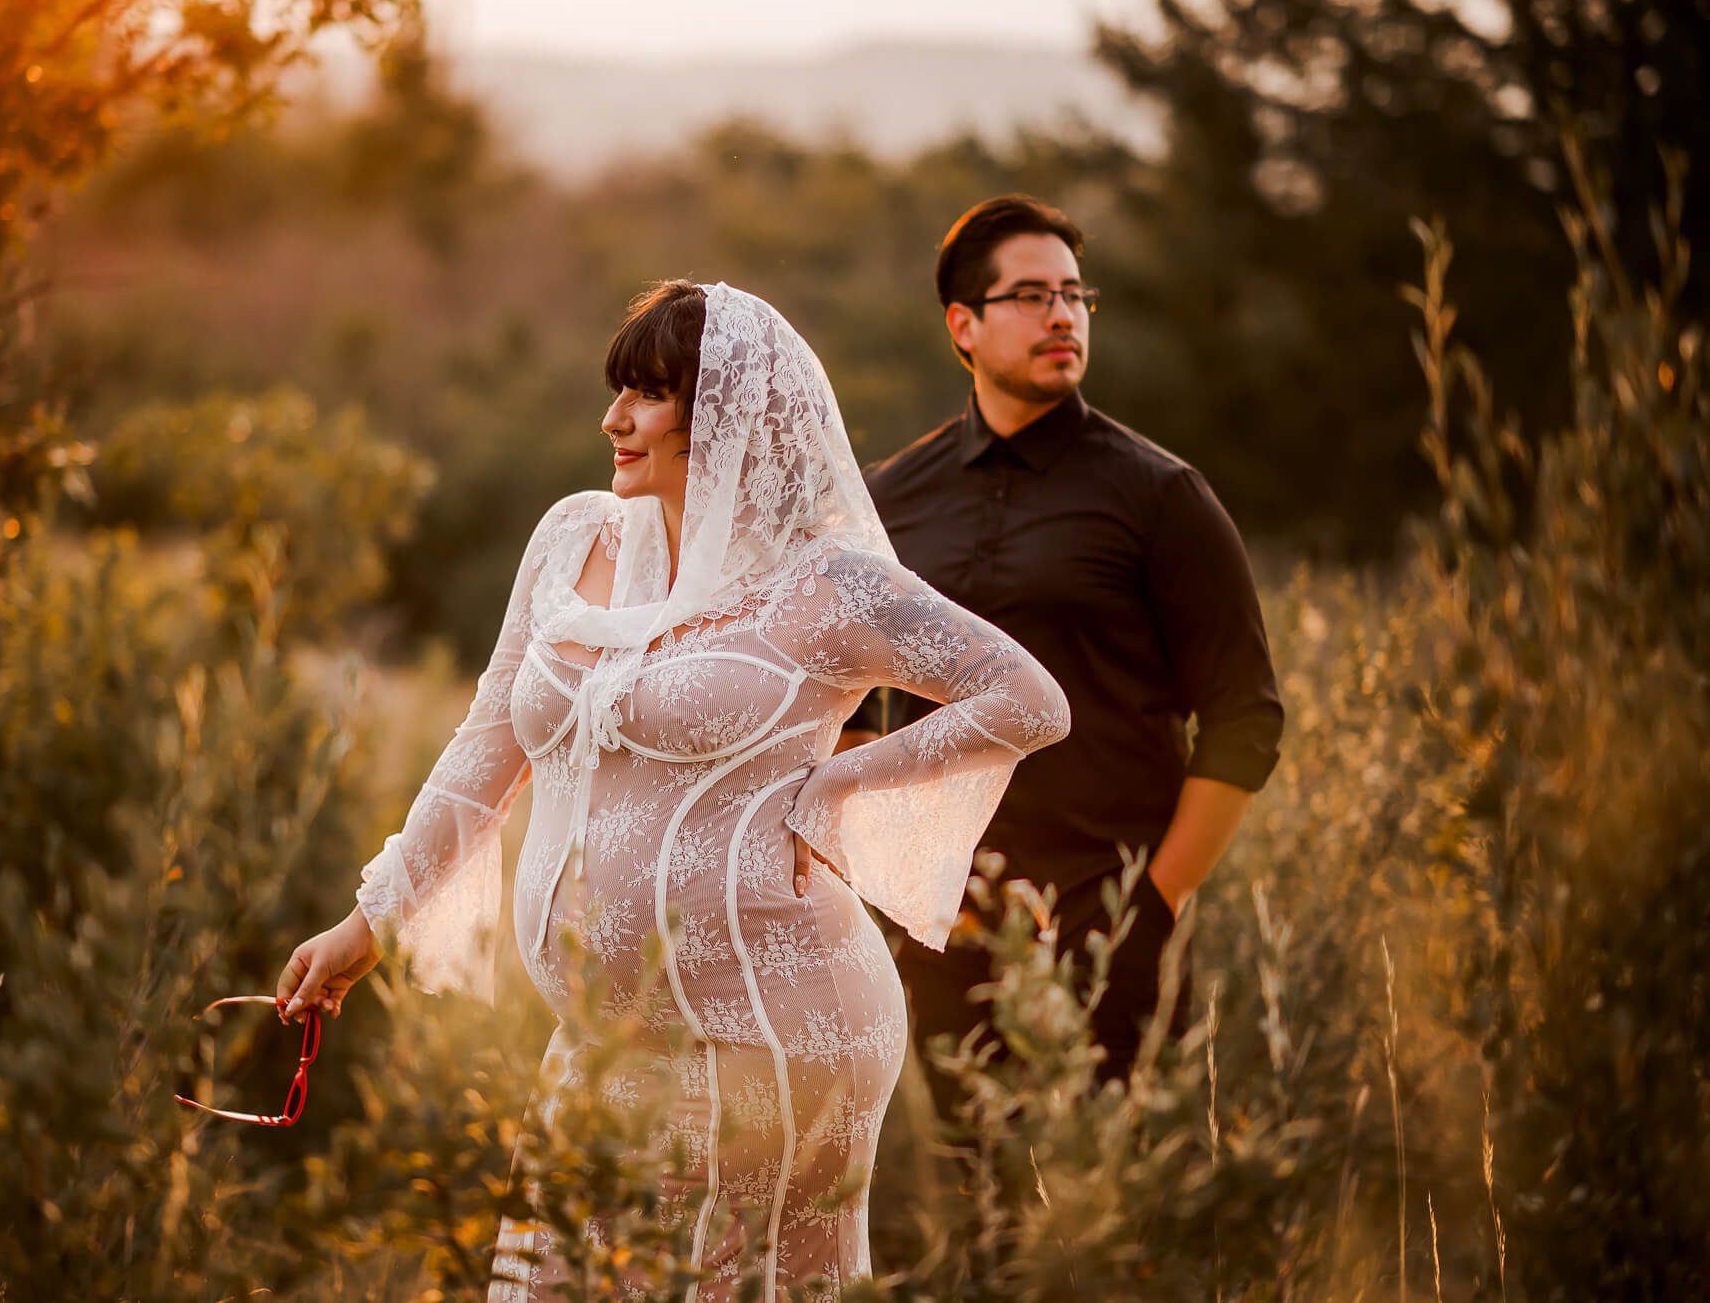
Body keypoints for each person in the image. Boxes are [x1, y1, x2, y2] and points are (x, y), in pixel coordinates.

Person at [275, 281, 1069, 1298]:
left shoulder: (825, 584)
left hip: (780, 1025)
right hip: (604, 1038)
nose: (613, 419)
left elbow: (1023, 695)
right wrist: (370, 918)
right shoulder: (573, 538)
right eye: (618, 391)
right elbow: (485, 745)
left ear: (727, 415)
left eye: (646, 396)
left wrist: (832, 789)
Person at [847, 195, 1284, 1106]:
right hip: (942, 930)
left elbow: (1246, 716)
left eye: (1077, 296)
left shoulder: (1162, 497)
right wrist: (891, 892)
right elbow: (846, 712)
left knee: (1109, 1217)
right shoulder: (889, 499)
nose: (1062, 315)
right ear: (964, 325)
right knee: (986, 1216)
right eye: (1034, 294)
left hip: (1110, 928)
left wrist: (1154, 907)